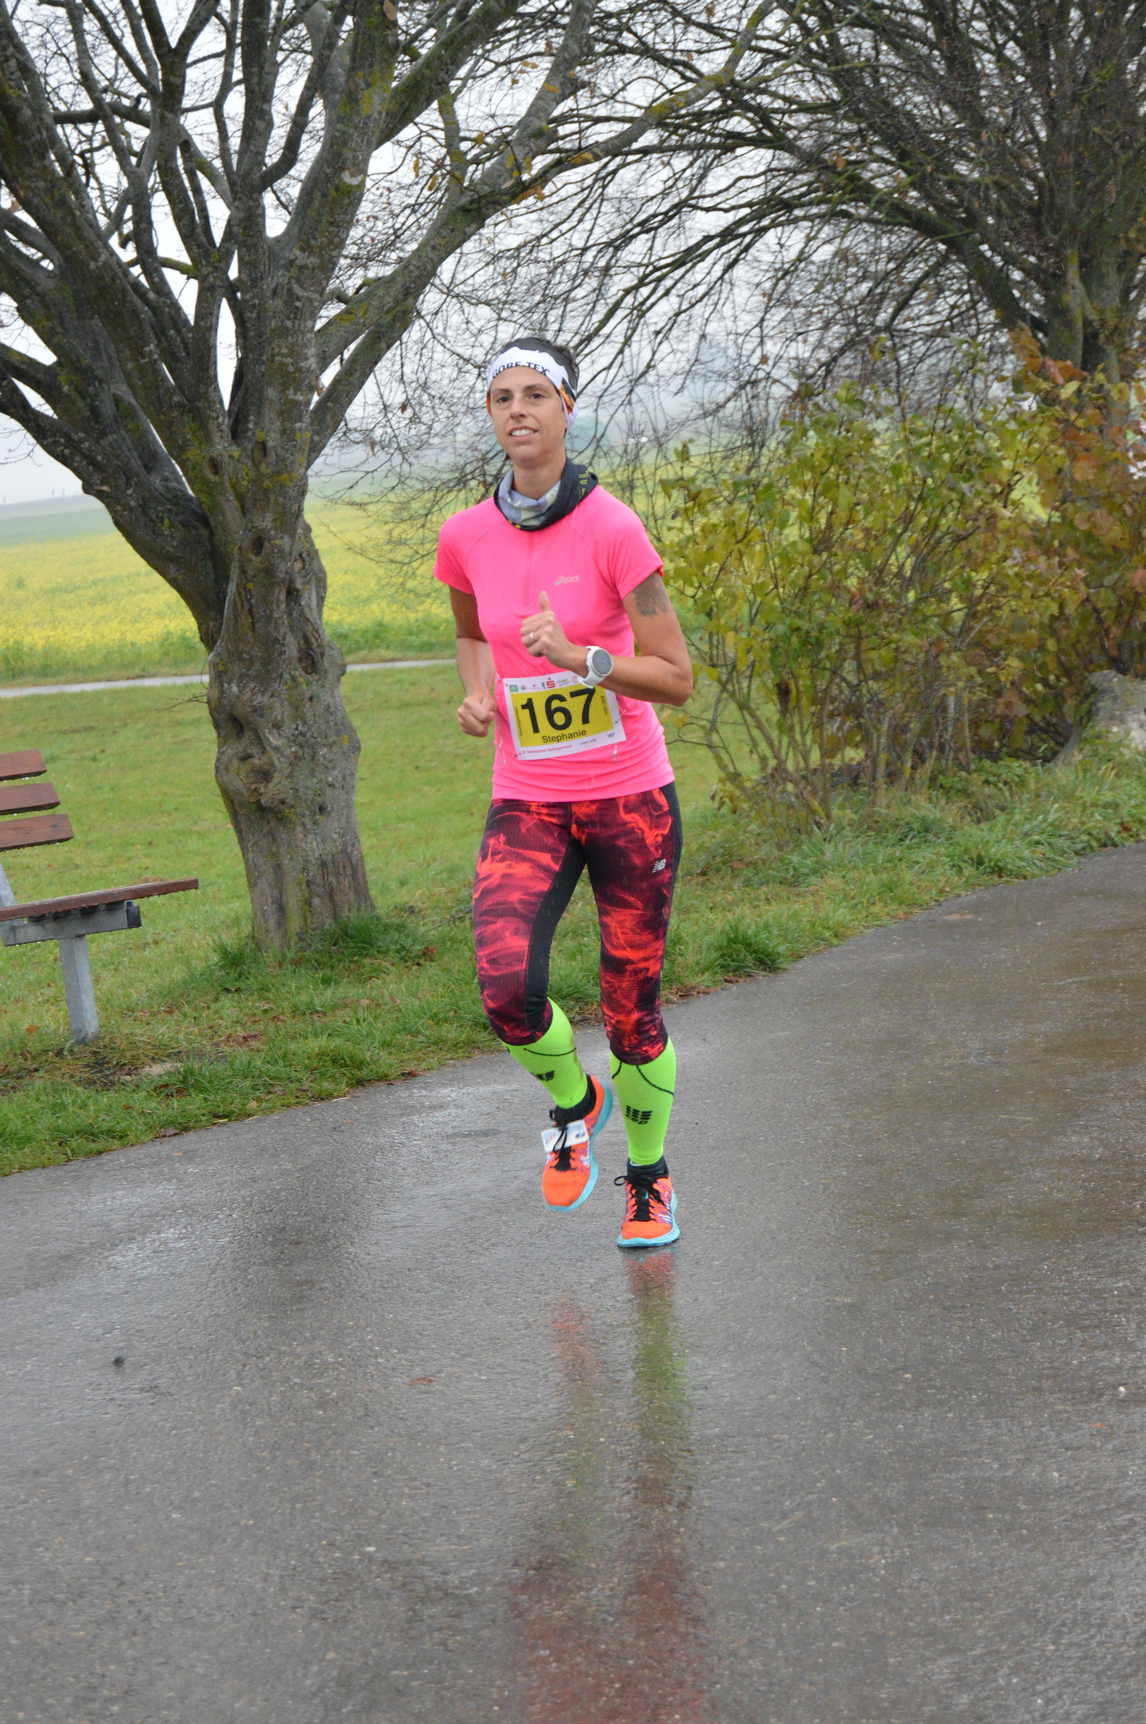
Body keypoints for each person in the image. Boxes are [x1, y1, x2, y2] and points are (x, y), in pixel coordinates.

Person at [434, 336, 693, 1247]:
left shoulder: (613, 528)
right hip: (529, 799)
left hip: (629, 798)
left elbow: (676, 677)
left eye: (536, 394)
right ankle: (576, 1103)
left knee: (630, 1008)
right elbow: (472, 632)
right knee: (505, 984)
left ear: (567, 410)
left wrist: (586, 660)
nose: (518, 409)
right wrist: (477, 693)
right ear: (491, 413)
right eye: (502, 395)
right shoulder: (465, 535)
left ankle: (649, 1181)